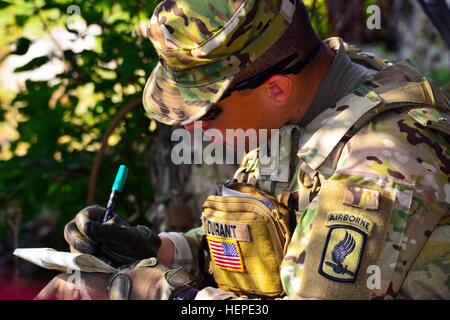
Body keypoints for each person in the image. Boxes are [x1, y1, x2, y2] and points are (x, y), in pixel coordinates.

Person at [36, 0, 449, 300]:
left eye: (206, 112)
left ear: (276, 89)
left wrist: (170, 297)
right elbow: (261, 246)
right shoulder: (305, 97)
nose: (192, 129)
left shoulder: (382, 159)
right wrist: (154, 248)